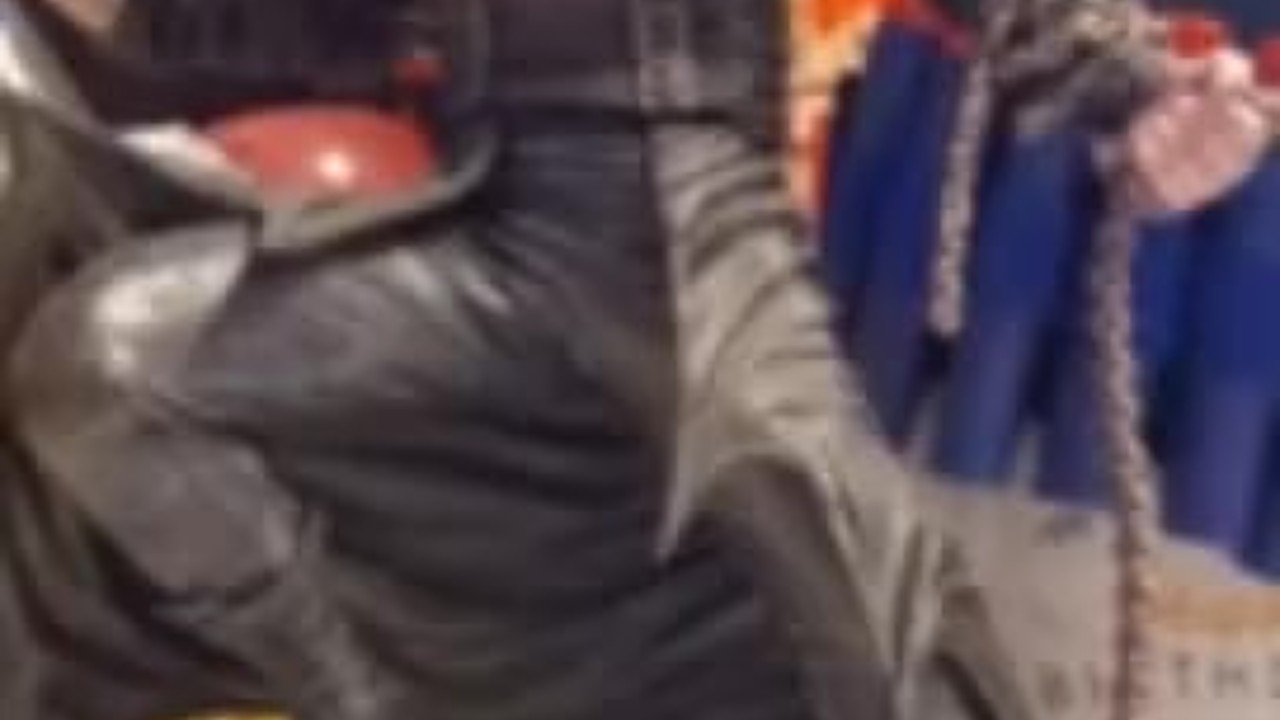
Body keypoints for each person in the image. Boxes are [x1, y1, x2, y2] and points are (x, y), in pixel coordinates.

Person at [3, 1, 1032, 719]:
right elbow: (342, 27)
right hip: (501, 255)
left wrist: (1100, 53)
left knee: (859, 627)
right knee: (107, 359)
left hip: (698, 271)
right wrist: (127, 15)